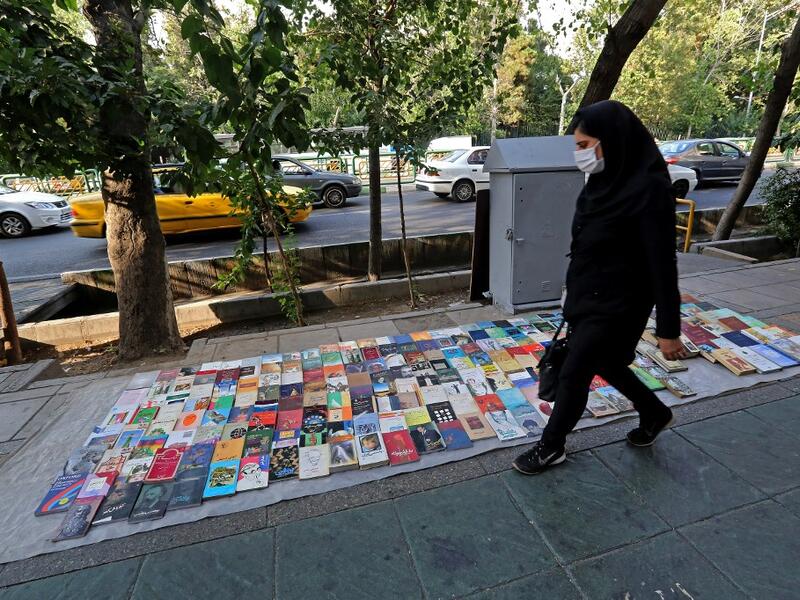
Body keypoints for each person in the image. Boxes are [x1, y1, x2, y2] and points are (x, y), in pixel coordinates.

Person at [513, 100, 686, 476]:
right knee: (604, 363)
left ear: (612, 140)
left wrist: (669, 329)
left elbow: (662, 263)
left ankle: (551, 445)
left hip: (621, 302)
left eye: (584, 145)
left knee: (575, 371)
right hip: (587, 296)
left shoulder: (650, 189)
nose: (580, 155)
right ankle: (655, 412)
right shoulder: (602, 183)